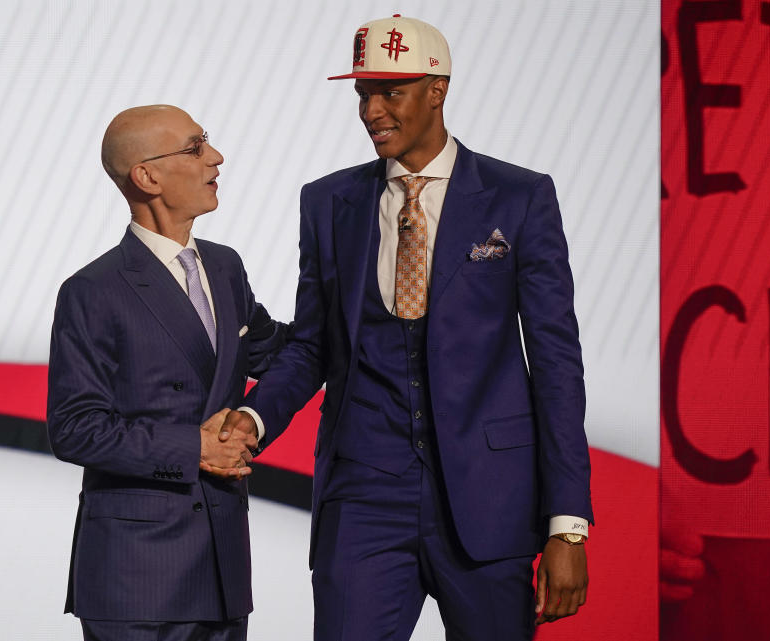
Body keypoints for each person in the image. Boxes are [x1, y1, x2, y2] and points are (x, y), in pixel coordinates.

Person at [219, 14, 593, 640]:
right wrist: (256, 418)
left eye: (390, 92)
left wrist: (567, 524)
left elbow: (557, 363)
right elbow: (313, 344)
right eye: (362, 93)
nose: (371, 110)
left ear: (437, 89)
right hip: (363, 495)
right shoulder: (328, 201)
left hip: (488, 498)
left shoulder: (519, 196)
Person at [47, 104, 286, 641]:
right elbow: (74, 428)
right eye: (195, 147)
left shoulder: (225, 268)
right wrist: (193, 448)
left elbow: (278, 353)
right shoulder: (92, 291)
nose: (216, 158)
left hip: (222, 566)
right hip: (136, 578)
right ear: (147, 176)